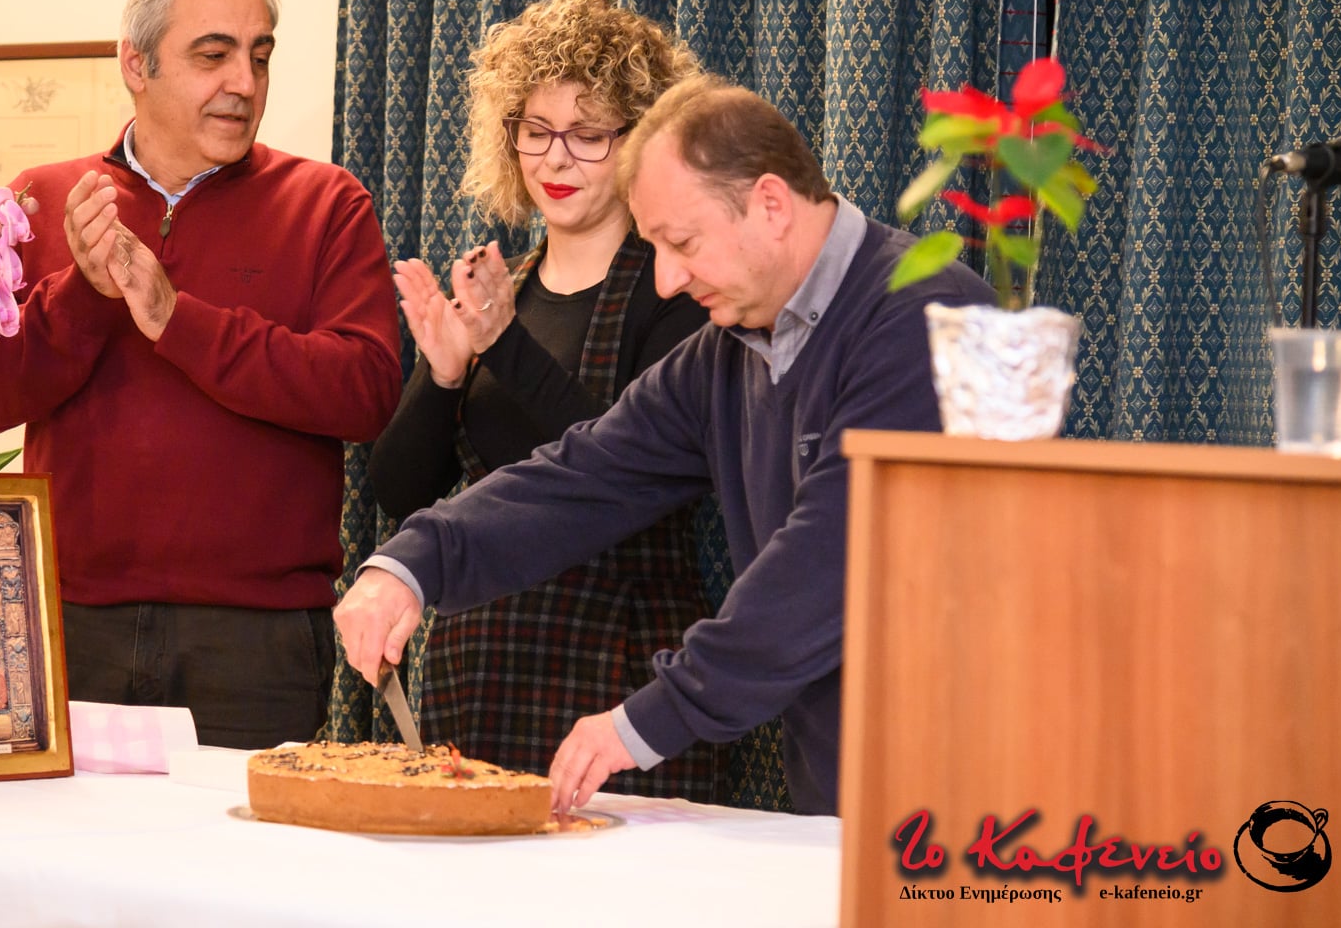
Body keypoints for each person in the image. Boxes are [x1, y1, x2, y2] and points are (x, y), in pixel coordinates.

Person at [336, 74, 994, 815]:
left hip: (967, 793)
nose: (668, 279)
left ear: (771, 205)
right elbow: (586, 472)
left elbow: (830, 562)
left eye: (681, 243)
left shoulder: (927, 319)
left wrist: (650, 718)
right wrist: (412, 564)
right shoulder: (728, 350)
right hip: (836, 794)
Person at [0, 0, 402, 749]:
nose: (244, 83)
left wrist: (176, 321)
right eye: (213, 55)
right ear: (136, 64)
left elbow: (364, 394)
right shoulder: (39, 199)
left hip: (256, 645)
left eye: (260, 56)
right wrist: (83, 295)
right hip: (63, 621)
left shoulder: (327, 202)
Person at [367, 0, 722, 801]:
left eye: (587, 135)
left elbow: (630, 470)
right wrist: (442, 376)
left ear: (639, 142)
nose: (556, 161)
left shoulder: (673, 292)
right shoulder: (505, 288)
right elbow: (399, 493)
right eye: (536, 130)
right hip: (480, 667)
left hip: (619, 668)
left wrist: (503, 346)